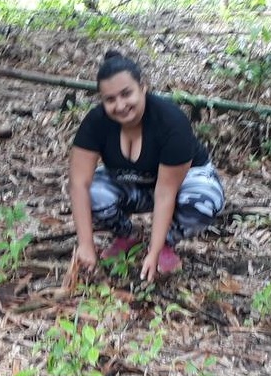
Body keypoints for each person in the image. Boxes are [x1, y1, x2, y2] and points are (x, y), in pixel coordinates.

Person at [69, 50, 225, 282]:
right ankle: (127, 236)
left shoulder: (170, 122)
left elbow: (165, 192)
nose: (120, 105)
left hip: (180, 183)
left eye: (126, 94)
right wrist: (85, 244)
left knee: (204, 201)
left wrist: (155, 250)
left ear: (143, 87)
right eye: (110, 99)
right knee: (92, 194)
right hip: (131, 181)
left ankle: (167, 242)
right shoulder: (96, 122)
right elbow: (78, 183)